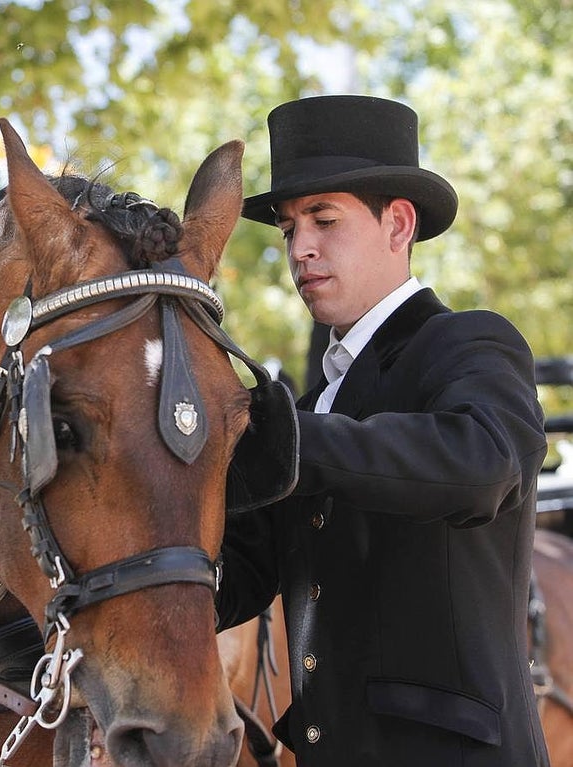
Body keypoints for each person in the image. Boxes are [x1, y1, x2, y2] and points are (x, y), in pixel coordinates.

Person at [217, 94, 550, 766]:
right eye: (288, 229)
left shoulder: (468, 342)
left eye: (324, 219)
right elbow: (231, 581)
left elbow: (481, 465)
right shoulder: (307, 411)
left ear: (398, 224)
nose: (300, 248)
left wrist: (285, 434)